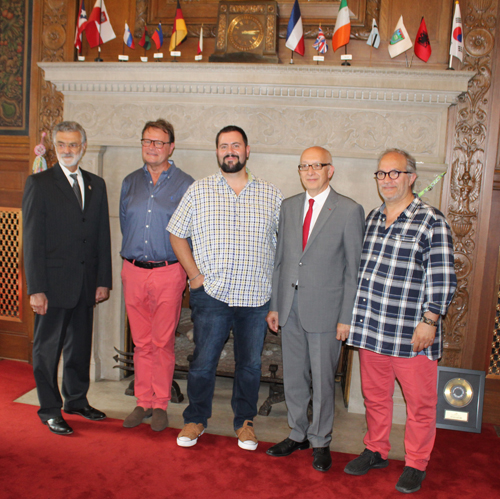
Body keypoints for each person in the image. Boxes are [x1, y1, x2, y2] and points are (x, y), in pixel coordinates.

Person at [345, 149, 457, 494]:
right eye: (381, 174)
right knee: (375, 398)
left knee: (420, 405)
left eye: (395, 173)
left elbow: (443, 275)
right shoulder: (373, 218)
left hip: (412, 335)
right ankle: (376, 449)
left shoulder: (431, 221)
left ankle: (416, 463)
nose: (387, 180)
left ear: (411, 177)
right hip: (372, 330)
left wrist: (430, 319)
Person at [168, 125, 284, 451]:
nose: (230, 150)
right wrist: (193, 276)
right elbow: (176, 233)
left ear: (247, 151)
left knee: (249, 365)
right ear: (217, 152)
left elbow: (282, 250)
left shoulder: (272, 195)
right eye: (223, 146)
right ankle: (196, 419)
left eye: (236, 145)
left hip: (256, 298)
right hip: (211, 294)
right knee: (204, 362)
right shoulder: (198, 191)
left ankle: (244, 422)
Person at [265, 147, 365, 472]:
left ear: (330, 170)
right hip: (290, 308)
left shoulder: (349, 211)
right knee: (294, 376)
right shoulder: (289, 206)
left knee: (323, 382)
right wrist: (276, 306)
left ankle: (321, 440)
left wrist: (346, 318)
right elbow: (280, 260)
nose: (310, 171)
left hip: (326, 312)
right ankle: (298, 433)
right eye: (304, 166)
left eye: (317, 166)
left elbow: (354, 271)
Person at [22, 121, 112, 435]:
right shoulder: (40, 183)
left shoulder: (96, 184)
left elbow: (102, 235)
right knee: (47, 351)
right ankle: (49, 409)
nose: (68, 150)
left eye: (74, 145)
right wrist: (37, 289)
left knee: (79, 347)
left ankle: (76, 399)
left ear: (83, 147)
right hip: (53, 285)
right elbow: (32, 241)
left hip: (86, 284)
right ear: (54, 147)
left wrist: (103, 280)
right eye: (62, 144)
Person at [120, 119, 194, 431]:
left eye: (159, 142)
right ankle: (142, 402)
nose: (152, 147)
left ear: (171, 147)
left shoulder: (185, 183)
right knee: (141, 342)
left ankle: (161, 403)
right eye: (147, 141)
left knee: (162, 342)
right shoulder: (130, 181)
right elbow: (126, 223)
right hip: (134, 271)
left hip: (169, 272)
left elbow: (191, 231)